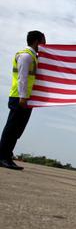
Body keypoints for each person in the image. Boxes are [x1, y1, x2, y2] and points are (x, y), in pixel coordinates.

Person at [0, 31, 46, 170]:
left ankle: (6, 155)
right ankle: (2, 156)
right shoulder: (26, 56)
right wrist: (23, 97)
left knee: (17, 129)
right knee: (12, 128)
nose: (45, 45)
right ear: (37, 42)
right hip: (19, 97)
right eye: (43, 41)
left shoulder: (33, 56)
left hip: (25, 98)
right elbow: (22, 78)